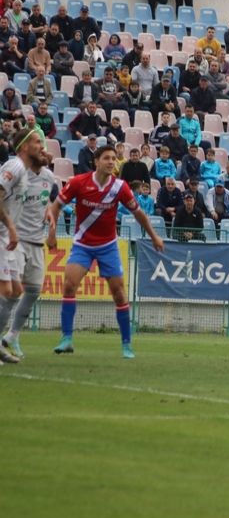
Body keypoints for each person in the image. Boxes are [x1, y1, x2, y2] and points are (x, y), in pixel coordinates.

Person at [47, 145, 165, 358]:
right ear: (96, 161)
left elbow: (138, 214)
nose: (112, 162)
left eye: (114, 159)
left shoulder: (120, 187)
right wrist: (52, 233)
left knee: (119, 294)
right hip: (82, 244)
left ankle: (127, 344)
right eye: (107, 158)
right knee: (69, 285)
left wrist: (154, 235)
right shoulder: (78, 182)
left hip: (108, 246)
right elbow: (55, 206)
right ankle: (66, 338)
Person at [0, 129, 49, 362]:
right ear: (24, 146)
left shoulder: (27, 172)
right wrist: (10, 227)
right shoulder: (15, 167)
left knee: (16, 290)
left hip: (7, 238)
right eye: (37, 141)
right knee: (8, 291)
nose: (42, 146)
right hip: (3, 236)